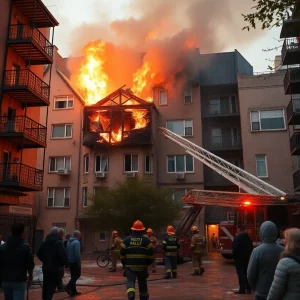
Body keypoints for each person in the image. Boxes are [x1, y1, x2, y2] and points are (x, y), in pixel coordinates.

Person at [247, 221, 284, 300]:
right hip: (279, 292)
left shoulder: (257, 251)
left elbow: (250, 274)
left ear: (262, 233)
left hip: (262, 292)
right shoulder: (283, 250)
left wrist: (255, 287)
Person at [120, 220, 154, 300]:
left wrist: (124, 264)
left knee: (130, 281)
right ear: (142, 230)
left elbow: (122, 254)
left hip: (130, 266)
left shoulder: (126, 240)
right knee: (142, 283)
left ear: (133, 230)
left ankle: (131, 294)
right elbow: (151, 254)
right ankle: (144, 297)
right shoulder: (146, 240)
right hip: (142, 266)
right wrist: (148, 263)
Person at [0, 223, 34, 300]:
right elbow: (30, 265)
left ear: (11, 232)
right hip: (19, 280)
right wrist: (30, 276)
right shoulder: (25, 247)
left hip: (6, 280)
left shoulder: (2, 247)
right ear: (22, 233)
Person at [267, 228, 300, 300]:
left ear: (290, 242)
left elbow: (276, 291)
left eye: (285, 238)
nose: (284, 241)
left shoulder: (285, 263)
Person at [37, 227, 68, 300]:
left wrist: (45, 260)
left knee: (46, 285)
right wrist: (65, 263)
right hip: (54, 268)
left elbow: (39, 253)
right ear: (57, 233)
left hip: (46, 267)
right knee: (51, 286)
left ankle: (44, 298)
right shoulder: (58, 242)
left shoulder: (45, 241)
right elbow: (62, 254)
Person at [232, 224, 253, 294]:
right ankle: (249, 288)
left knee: (241, 273)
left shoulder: (237, 238)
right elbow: (251, 247)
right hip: (247, 258)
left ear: (239, 229)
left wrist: (234, 257)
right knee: (246, 272)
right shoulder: (248, 238)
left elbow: (234, 248)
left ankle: (242, 289)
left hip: (239, 258)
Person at [65, 230, 82, 296]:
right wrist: (79, 262)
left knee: (73, 276)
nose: (80, 236)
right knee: (77, 275)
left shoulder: (69, 242)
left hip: (70, 262)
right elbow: (77, 254)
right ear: (77, 235)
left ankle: (73, 291)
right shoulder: (77, 242)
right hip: (75, 262)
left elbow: (67, 251)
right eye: (80, 235)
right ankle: (68, 287)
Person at [56, 228, 66, 293]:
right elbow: (62, 253)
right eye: (62, 234)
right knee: (59, 274)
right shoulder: (59, 242)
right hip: (59, 262)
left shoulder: (59, 241)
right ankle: (59, 287)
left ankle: (59, 286)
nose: (63, 235)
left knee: (59, 274)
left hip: (57, 262)